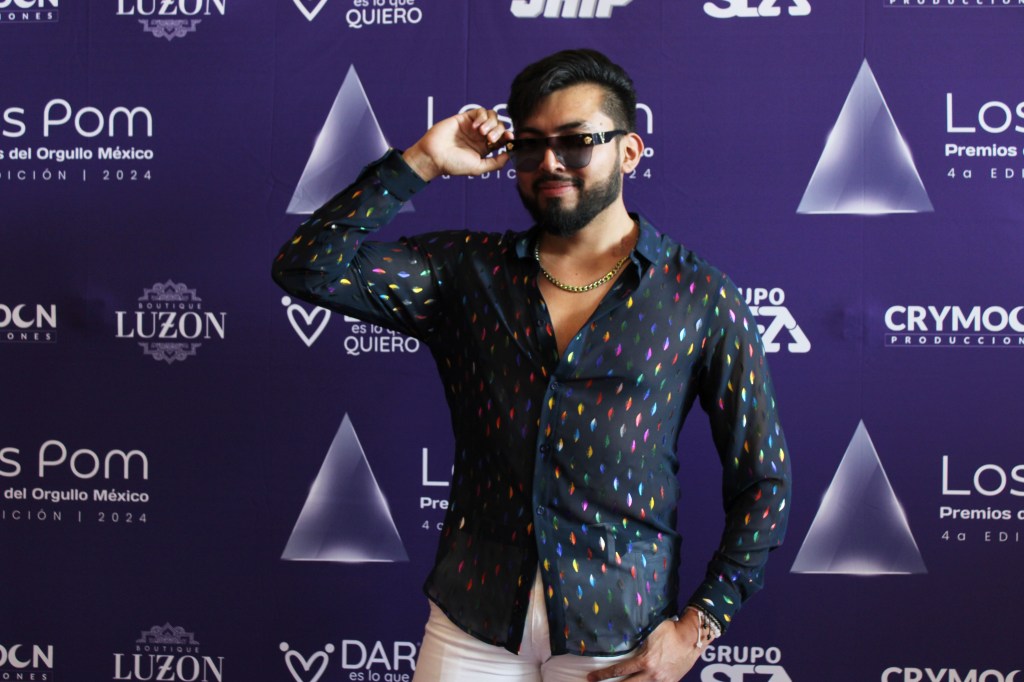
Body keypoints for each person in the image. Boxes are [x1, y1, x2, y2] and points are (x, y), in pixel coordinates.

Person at [273, 48, 791, 682]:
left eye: (576, 143)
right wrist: (423, 161)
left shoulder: (699, 296)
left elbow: (763, 480)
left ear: (629, 152)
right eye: (531, 145)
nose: (549, 163)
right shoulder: (466, 273)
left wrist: (699, 625)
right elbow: (307, 267)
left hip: (620, 632)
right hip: (472, 623)